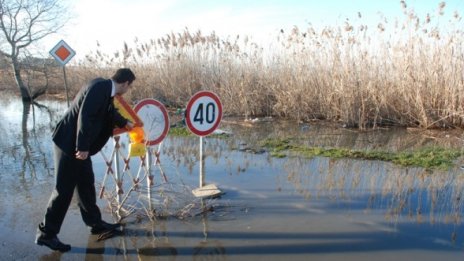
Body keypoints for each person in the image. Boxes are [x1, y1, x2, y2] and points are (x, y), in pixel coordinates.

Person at [35, 68, 136, 252]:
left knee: (85, 184)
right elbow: (85, 116)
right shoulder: (99, 88)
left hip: (78, 147)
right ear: (125, 83)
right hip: (69, 144)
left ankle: (95, 223)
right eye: (130, 86)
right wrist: (82, 147)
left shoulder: (105, 89)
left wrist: (124, 122)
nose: (128, 90)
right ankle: (46, 234)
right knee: (63, 189)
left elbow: (108, 112)